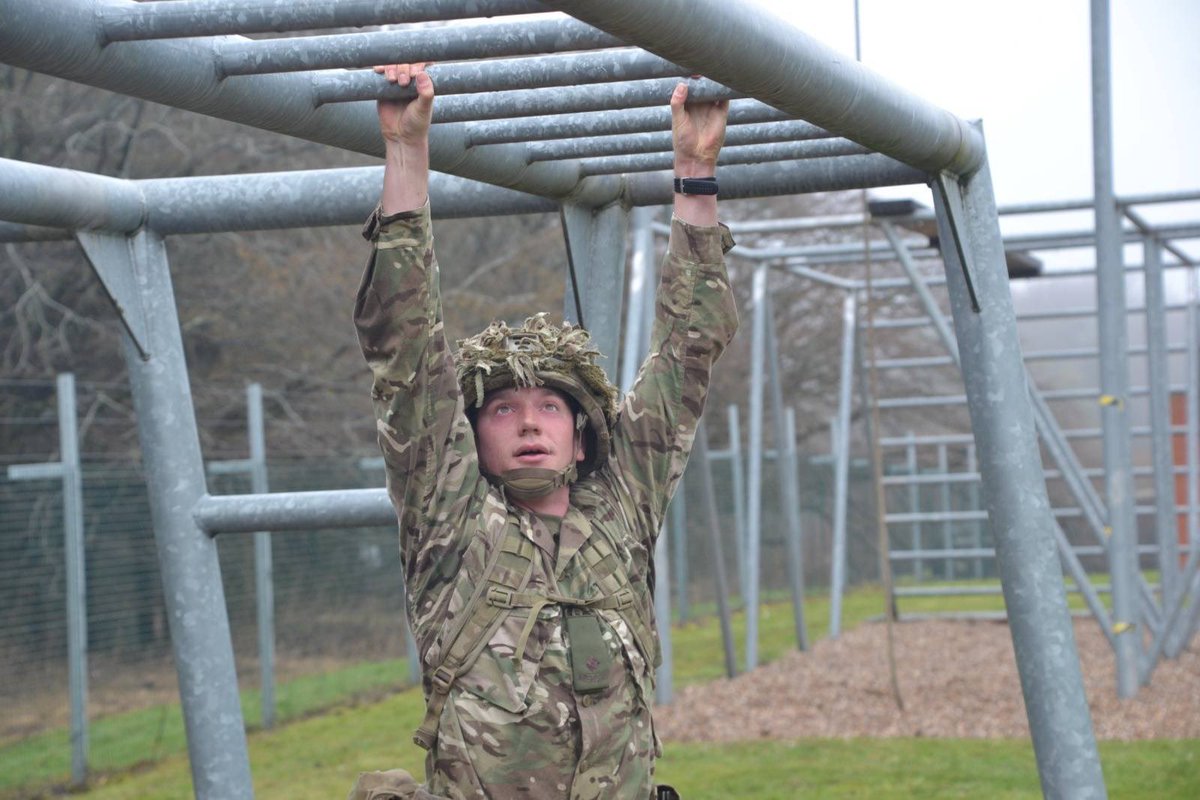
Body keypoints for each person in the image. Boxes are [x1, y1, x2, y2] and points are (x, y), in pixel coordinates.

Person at [352, 62, 737, 800]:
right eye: (502, 409)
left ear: (584, 437)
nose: (528, 421)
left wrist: (695, 171)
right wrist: (406, 154)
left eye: (549, 407)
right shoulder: (452, 524)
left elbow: (687, 353)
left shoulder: (621, 512)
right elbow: (406, 352)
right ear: (473, 440)